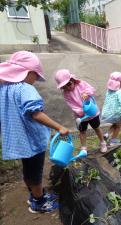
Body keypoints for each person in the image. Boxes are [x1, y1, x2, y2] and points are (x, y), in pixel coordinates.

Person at [0, 51, 69, 213]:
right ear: (27, 72)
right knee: (36, 172)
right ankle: (39, 203)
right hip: (32, 139)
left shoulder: (4, 88)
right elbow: (36, 113)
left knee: (28, 170)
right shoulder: (24, 89)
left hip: (19, 141)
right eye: (35, 76)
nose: (35, 80)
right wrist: (59, 127)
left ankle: (33, 195)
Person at [54, 69, 107, 153]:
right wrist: (81, 112)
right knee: (82, 131)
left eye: (69, 84)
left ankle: (103, 142)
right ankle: (83, 148)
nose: (68, 87)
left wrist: (87, 93)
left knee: (97, 128)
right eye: (64, 87)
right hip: (81, 117)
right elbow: (72, 105)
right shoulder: (66, 94)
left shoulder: (81, 84)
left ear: (72, 80)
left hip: (92, 112)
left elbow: (92, 89)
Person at [101, 72, 121, 146]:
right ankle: (113, 141)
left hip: (108, 113)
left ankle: (107, 134)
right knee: (118, 126)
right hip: (117, 114)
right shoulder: (120, 92)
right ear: (119, 83)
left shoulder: (109, 90)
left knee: (115, 124)